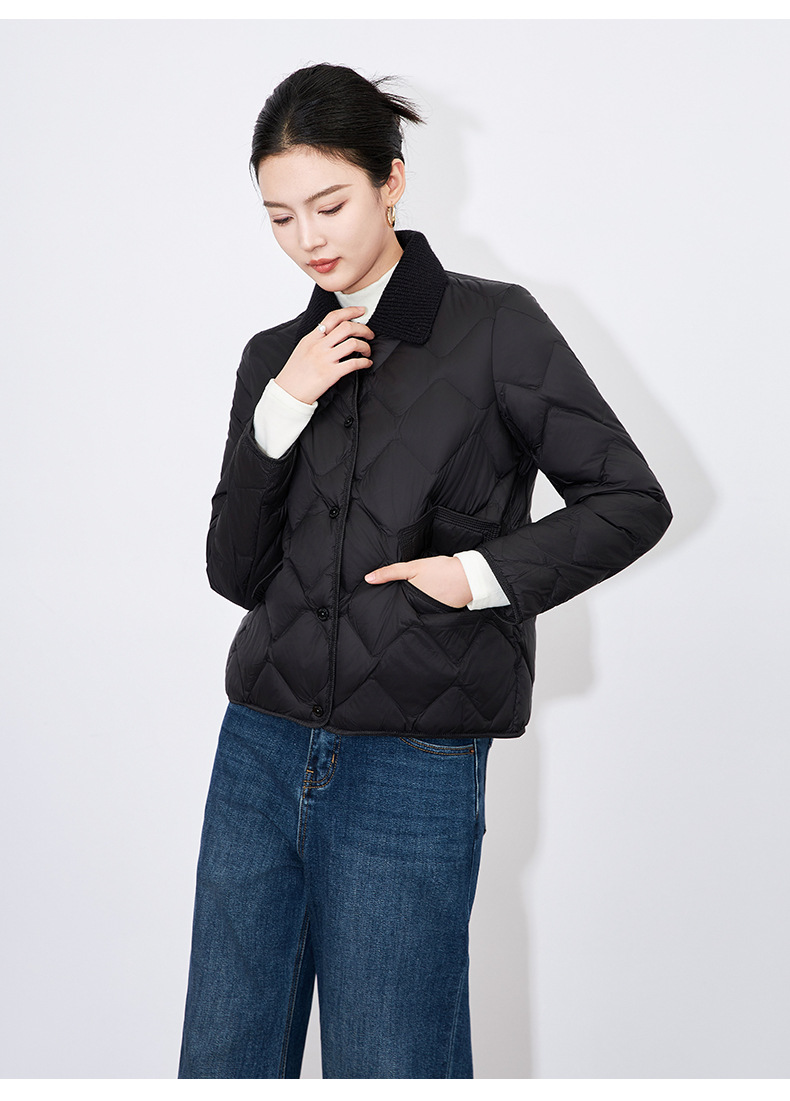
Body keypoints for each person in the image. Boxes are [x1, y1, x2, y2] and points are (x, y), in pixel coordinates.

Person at [178, 63, 672, 1080]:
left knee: (392, 1063)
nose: (307, 239)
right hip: (258, 748)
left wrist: (476, 573)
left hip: (411, 759)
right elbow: (234, 572)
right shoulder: (275, 356)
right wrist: (281, 408)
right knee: (222, 1061)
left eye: (329, 205)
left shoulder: (497, 328)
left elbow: (629, 499)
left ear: (392, 182)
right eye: (279, 217)